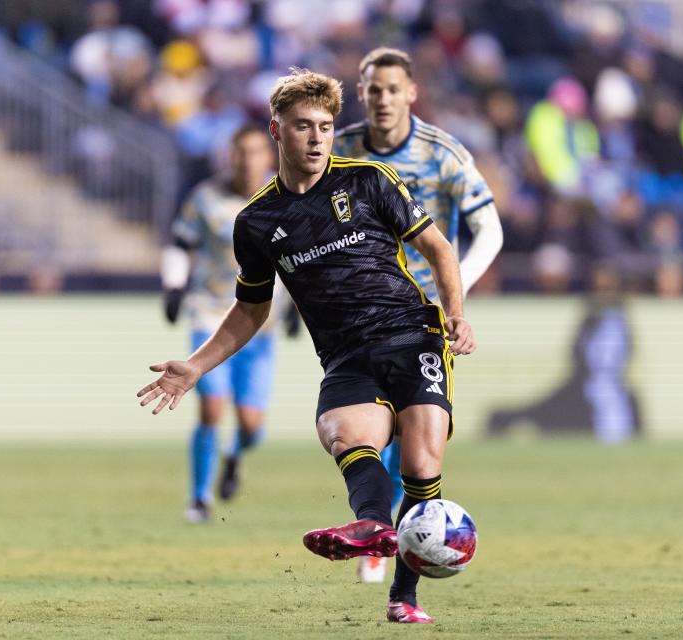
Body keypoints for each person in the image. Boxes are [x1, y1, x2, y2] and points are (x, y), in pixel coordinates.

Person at [138, 68, 475, 624]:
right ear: (277, 131)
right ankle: (373, 527)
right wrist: (195, 367)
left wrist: (456, 316)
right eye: (303, 127)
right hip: (346, 355)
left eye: (325, 126)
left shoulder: (369, 180)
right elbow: (251, 309)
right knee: (343, 434)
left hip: (412, 336)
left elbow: (439, 250)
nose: (317, 138)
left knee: (420, 465)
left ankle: (404, 595)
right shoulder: (257, 221)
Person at [333, 46, 502, 583]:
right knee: (369, 431)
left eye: (393, 89)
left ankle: (388, 549)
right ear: (361, 93)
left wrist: (457, 297)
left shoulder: (442, 153)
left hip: (425, 318)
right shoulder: (338, 151)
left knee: (415, 441)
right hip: (357, 316)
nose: (383, 99)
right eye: (373, 89)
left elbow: (490, 230)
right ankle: (381, 534)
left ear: (412, 93)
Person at [161, 124, 278, 523]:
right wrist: (174, 286)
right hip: (210, 316)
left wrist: (298, 308)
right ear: (231, 156)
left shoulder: (282, 200)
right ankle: (199, 498)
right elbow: (180, 242)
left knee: (251, 426)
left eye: (256, 152)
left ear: (269, 157)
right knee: (211, 406)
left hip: (261, 323)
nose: (247, 160)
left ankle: (235, 454)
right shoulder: (206, 198)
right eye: (240, 152)